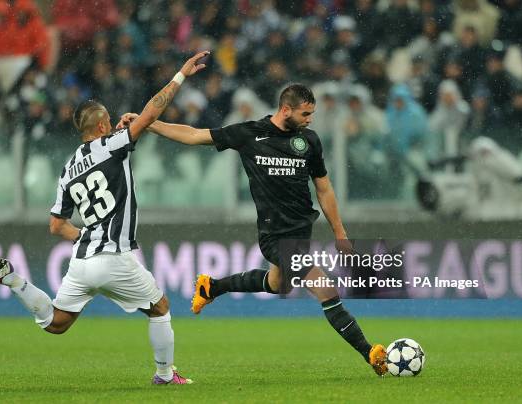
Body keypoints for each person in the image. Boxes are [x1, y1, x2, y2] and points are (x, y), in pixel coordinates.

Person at [0, 51, 210, 384]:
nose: (112, 123)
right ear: (101, 126)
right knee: (160, 307)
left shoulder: (68, 169)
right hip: (112, 256)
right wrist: (180, 74)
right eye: (108, 120)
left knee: (56, 322)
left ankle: (12, 279)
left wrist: (84, 235)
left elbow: (56, 225)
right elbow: (153, 111)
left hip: (82, 260)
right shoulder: (113, 145)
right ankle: (165, 375)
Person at [118, 83, 388, 376]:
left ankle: (212, 287)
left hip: (301, 232)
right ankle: (369, 352)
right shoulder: (249, 133)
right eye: (305, 113)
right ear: (286, 109)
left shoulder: (309, 141)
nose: (310, 119)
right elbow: (195, 135)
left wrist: (339, 232)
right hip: (274, 235)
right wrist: (149, 124)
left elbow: (324, 188)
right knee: (326, 290)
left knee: (277, 284)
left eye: (312, 114)